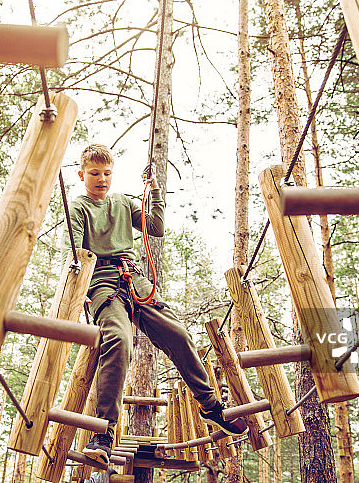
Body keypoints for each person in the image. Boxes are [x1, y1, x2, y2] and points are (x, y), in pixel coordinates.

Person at [67, 144, 247, 465]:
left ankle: (209, 405)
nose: (102, 179)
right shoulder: (78, 208)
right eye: (94, 174)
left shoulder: (122, 202)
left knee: (177, 333)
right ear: (82, 175)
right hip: (102, 282)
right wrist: (77, 288)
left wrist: (155, 192)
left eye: (107, 173)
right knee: (118, 341)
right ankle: (104, 433)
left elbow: (156, 228)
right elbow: (74, 253)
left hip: (134, 278)